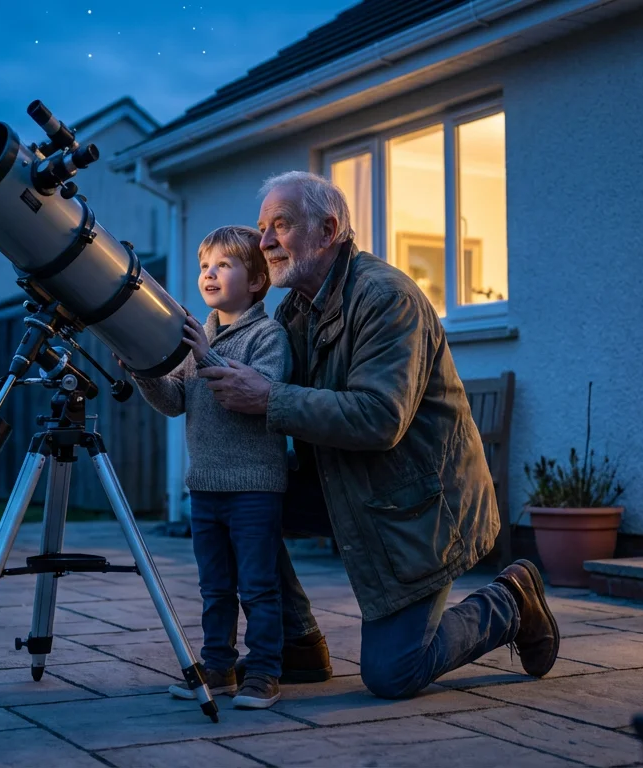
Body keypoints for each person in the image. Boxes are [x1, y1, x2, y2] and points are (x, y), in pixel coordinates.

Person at [197, 171, 560, 699]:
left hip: (421, 503)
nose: (265, 242)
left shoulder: (386, 298)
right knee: (243, 496)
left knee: (393, 673)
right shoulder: (295, 310)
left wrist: (269, 398)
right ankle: (297, 641)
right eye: (261, 228)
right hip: (354, 485)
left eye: (281, 225)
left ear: (328, 230)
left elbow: (379, 418)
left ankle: (509, 599)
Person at [128, 225, 293, 709]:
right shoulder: (200, 334)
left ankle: (264, 672)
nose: (209, 273)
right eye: (205, 266)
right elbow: (176, 400)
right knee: (214, 587)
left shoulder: (268, 335)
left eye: (223, 264)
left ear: (257, 281)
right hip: (204, 486)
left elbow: (252, 394)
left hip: (255, 487)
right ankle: (218, 666)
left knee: (259, 586)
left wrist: (204, 352)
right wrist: (143, 371)